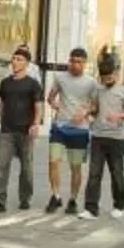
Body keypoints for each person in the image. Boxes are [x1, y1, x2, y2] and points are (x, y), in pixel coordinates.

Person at [0, 47, 45, 213]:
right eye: (13, 59)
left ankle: (25, 197)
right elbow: (2, 104)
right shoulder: (5, 83)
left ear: (27, 63)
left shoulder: (33, 84)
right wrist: (2, 118)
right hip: (7, 131)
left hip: (25, 131)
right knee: (1, 165)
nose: (15, 62)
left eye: (19, 59)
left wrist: (35, 124)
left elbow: (38, 106)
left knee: (26, 167)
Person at [46, 47, 99, 215]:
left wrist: (85, 112)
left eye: (79, 62)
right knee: (53, 161)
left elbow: (96, 105)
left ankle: (73, 200)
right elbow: (50, 97)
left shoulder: (91, 83)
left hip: (80, 131)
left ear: (85, 63)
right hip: (60, 127)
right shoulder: (60, 78)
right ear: (69, 61)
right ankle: (55, 196)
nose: (75, 65)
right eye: (73, 61)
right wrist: (55, 106)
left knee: (76, 167)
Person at [85, 48, 124, 216]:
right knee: (94, 174)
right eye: (104, 78)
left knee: (116, 173)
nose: (107, 80)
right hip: (98, 137)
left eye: (110, 77)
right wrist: (88, 110)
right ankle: (91, 208)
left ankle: (119, 206)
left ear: (115, 73)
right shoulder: (98, 90)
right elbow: (95, 110)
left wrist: (119, 116)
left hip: (117, 138)